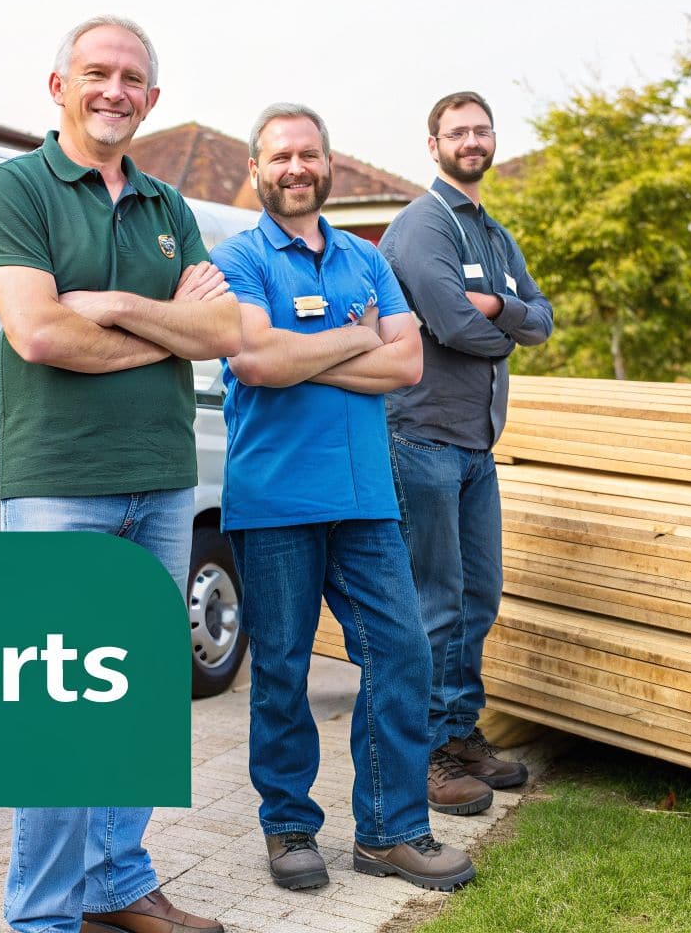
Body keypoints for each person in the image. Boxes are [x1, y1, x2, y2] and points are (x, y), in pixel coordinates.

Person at [0, 15, 238, 933]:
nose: (114, 90)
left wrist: (117, 308)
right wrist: (167, 332)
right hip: (60, 483)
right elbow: (37, 332)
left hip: (162, 480)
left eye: (132, 79)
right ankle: (43, 917)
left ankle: (120, 884)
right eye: (96, 73)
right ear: (58, 87)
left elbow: (225, 334)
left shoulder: (168, 207)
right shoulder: (13, 189)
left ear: (151, 100)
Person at [212, 103, 476, 894]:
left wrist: (304, 356)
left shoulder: (366, 259)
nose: (297, 167)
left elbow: (408, 368)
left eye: (310, 154)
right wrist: (359, 336)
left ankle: (391, 830)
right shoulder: (238, 258)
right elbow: (255, 361)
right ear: (256, 171)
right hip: (275, 499)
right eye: (280, 156)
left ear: (330, 165)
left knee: (402, 653)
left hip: (366, 499)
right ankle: (288, 825)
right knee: (284, 669)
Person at [378, 91, 555, 817]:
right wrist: (500, 324)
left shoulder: (495, 235)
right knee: (434, 605)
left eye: (481, 130)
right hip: (421, 439)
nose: (472, 141)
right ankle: (423, 756)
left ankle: (459, 734)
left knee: (477, 596)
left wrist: (502, 311)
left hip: (477, 446)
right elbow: (450, 324)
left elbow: (544, 319)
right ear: (433, 144)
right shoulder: (421, 228)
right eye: (458, 132)